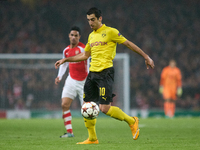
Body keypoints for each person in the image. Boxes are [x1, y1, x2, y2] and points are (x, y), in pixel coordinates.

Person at [55, 7, 155, 144]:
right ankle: (92, 138)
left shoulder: (110, 32)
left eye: (93, 20)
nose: (90, 23)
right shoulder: (91, 36)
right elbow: (85, 55)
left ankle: (132, 121)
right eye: (88, 20)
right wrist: (66, 60)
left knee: (104, 108)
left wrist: (146, 56)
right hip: (92, 74)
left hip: (105, 73)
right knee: (86, 107)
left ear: (100, 18)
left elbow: (128, 44)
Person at [55, 26, 89, 138]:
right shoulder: (66, 50)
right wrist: (59, 76)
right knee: (64, 104)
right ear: (69, 36)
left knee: (86, 110)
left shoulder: (83, 49)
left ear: (79, 37)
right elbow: (64, 65)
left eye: (76, 35)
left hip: (83, 82)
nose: (74, 37)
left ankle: (91, 135)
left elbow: (87, 63)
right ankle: (69, 132)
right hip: (71, 79)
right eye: (72, 35)